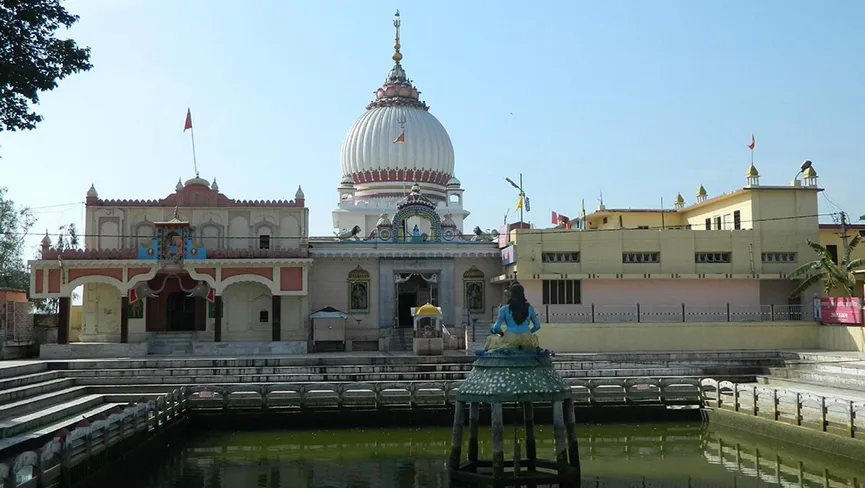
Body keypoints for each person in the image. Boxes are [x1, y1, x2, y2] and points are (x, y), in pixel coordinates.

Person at [485, 282, 541, 352]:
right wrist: (528, 332)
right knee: (535, 339)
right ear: (523, 294)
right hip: (527, 338)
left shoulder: (504, 309)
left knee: (490, 339)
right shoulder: (530, 308)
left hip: (510, 338)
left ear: (511, 294)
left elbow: (496, 328)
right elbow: (537, 326)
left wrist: (502, 334)